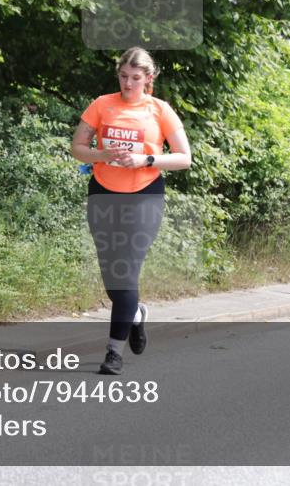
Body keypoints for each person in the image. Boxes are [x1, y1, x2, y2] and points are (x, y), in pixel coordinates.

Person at [71, 46, 192, 375]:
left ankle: (114, 353)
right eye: (123, 76)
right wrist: (101, 154)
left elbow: (184, 157)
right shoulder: (102, 104)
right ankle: (135, 314)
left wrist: (145, 160)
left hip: (144, 197)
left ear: (148, 78)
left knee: (125, 271)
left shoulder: (160, 110)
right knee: (111, 276)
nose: (128, 83)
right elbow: (77, 148)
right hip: (103, 194)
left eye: (135, 78)